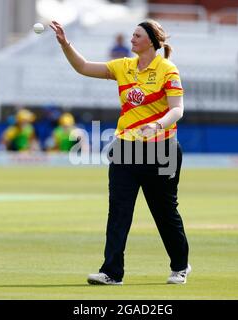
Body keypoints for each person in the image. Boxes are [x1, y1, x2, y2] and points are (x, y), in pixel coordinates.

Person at [50, 19, 190, 285]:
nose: (132, 39)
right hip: (125, 148)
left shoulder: (167, 69)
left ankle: (180, 267)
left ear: (150, 40)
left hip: (162, 151)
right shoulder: (123, 67)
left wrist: (158, 124)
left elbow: (177, 109)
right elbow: (82, 67)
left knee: (164, 213)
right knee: (118, 212)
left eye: (137, 35)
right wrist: (66, 45)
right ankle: (112, 272)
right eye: (132, 35)